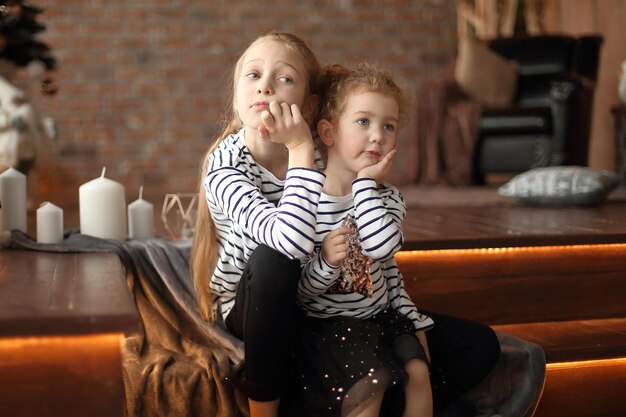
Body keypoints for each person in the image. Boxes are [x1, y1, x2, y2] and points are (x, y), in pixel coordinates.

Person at [296, 63, 501, 417]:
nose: (377, 135)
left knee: (422, 368)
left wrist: (412, 319)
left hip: (381, 317)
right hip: (328, 328)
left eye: (388, 126)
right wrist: (326, 262)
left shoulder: (387, 198)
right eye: (363, 122)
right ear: (328, 132)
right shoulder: (304, 199)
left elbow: (383, 256)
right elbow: (299, 292)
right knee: (372, 381)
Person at [190, 31, 324, 417]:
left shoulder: (324, 151)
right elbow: (290, 243)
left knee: (478, 347)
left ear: (309, 106)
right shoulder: (225, 168)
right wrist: (300, 149)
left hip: (317, 293)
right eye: (253, 75)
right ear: (237, 97)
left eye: (284, 79)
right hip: (249, 305)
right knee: (274, 258)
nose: (265, 85)